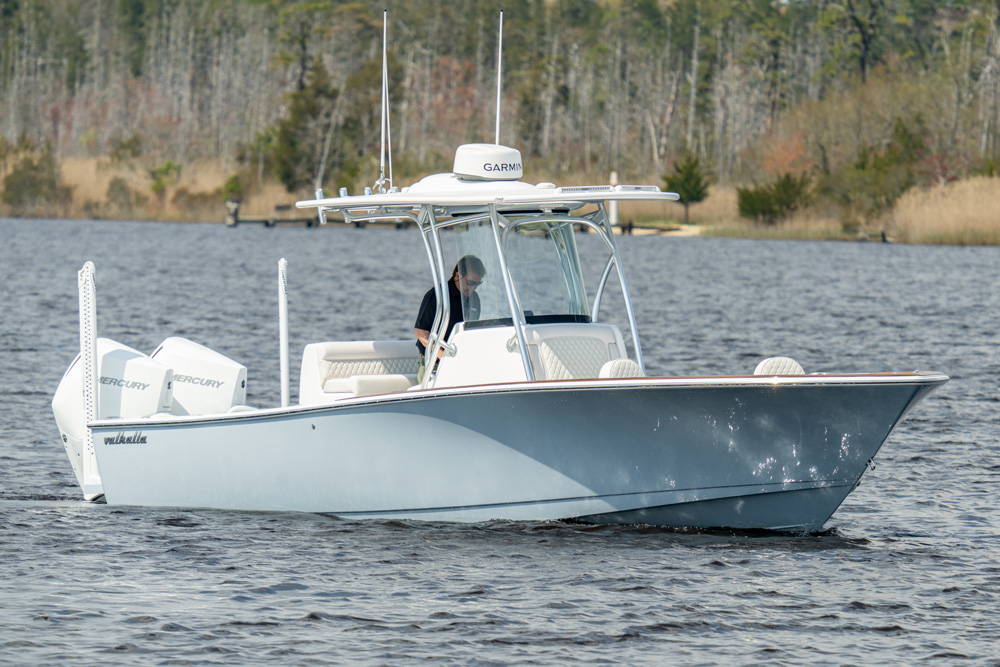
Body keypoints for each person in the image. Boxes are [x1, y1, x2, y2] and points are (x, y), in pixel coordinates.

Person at [414, 254, 486, 381]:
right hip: (433, 363)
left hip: (460, 363)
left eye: (477, 284)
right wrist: (442, 354)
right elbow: (420, 332)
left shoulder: (475, 299)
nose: (473, 288)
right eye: (470, 283)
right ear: (457, 275)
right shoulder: (437, 295)